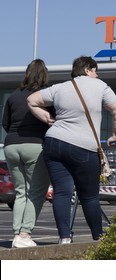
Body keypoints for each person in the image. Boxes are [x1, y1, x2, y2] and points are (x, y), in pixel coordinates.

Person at [27, 56, 116, 244]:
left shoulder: (60, 87)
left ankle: (64, 237)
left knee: (62, 192)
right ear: (87, 69)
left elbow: (31, 100)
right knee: (89, 196)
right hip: (84, 147)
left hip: (54, 142)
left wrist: (48, 119)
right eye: (95, 70)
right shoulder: (101, 86)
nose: (97, 74)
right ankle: (98, 236)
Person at [1, 59, 52, 248]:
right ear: (44, 74)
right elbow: (53, 121)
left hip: (11, 146)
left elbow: (5, 123)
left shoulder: (13, 96)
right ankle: (24, 234)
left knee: (21, 191)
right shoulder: (46, 95)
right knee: (37, 191)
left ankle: (17, 234)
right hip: (35, 145)